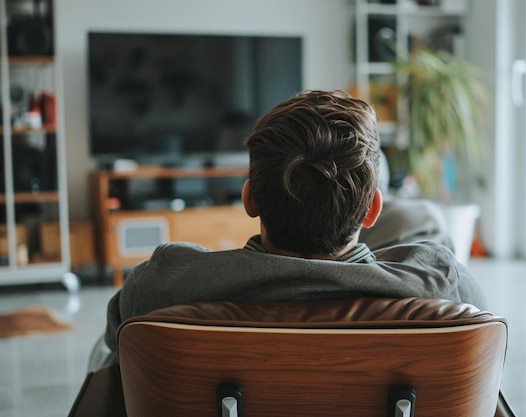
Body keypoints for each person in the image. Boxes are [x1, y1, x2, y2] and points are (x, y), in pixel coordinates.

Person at [98, 90, 487, 363]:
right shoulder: (442, 281)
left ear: (249, 199)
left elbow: (116, 340)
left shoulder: (161, 284)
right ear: (372, 211)